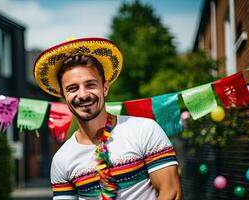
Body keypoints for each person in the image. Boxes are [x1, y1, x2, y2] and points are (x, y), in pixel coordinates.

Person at [33, 38, 182, 200]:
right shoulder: (61, 160)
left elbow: (172, 192)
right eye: (72, 88)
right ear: (64, 96)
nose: (82, 95)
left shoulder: (144, 130)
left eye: (90, 85)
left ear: (105, 88)